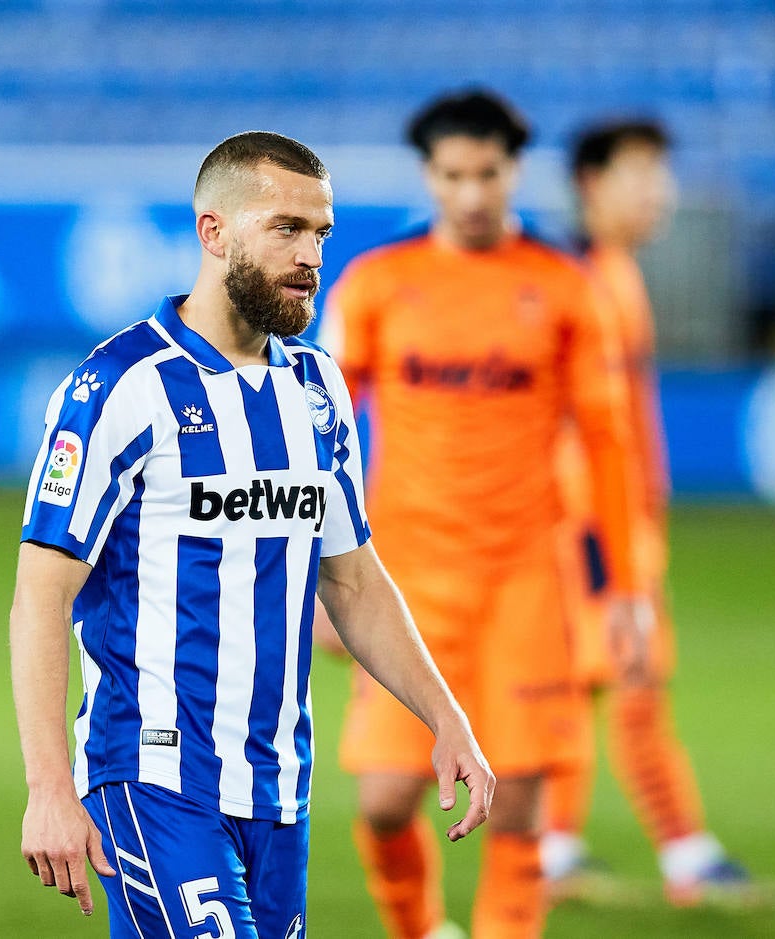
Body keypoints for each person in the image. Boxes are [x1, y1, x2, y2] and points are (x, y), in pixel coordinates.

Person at [9, 130, 495, 937]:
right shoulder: (123, 385)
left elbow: (354, 578)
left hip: (277, 788)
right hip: (154, 774)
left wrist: (447, 717)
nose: (310, 254)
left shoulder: (316, 388)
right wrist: (48, 787)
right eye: (285, 228)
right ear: (214, 232)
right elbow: (40, 594)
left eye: (321, 233)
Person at [317, 90, 653, 938]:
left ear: (514, 171)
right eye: (454, 175)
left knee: (520, 806)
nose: (471, 194)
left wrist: (627, 593)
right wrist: (317, 578)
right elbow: (317, 433)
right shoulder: (379, 285)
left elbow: (610, 447)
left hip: (525, 580)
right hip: (407, 578)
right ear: (430, 176)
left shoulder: (563, 288)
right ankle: (423, 927)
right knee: (387, 799)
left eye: (488, 173)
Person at [540, 119, 775, 910]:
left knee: (582, 684)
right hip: (593, 526)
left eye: (662, 174)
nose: (660, 192)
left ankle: (555, 847)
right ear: (590, 182)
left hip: (604, 522)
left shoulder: (609, 272)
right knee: (637, 673)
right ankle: (687, 853)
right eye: (641, 173)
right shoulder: (582, 282)